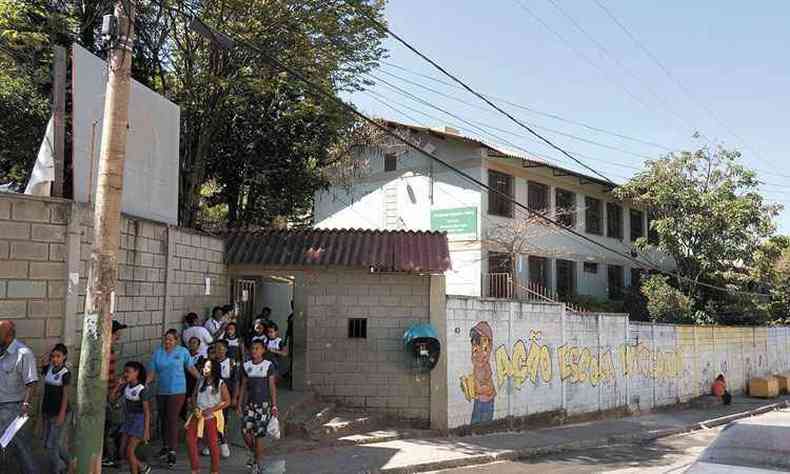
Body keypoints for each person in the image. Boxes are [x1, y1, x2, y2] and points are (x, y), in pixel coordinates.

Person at [147, 329, 200, 469]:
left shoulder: (182, 352)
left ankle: (172, 451)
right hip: (161, 391)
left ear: (176, 340)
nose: (167, 342)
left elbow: (190, 367)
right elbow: (152, 372)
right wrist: (145, 384)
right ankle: (165, 446)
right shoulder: (158, 353)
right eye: (166, 339)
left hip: (177, 391)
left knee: (172, 419)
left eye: (171, 339)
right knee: (163, 419)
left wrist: (201, 378)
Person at [0, 320, 39, 474]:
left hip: (14, 410)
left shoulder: (23, 353)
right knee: (6, 450)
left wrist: (25, 405)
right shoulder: (2, 351)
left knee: (22, 448)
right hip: (1, 409)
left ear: (8, 335)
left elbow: (32, 382)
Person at [238, 339, 279, 474]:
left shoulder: (268, 365)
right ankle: (255, 453)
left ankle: (257, 463)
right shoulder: (246, 366)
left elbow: (272, 386)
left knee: (258, 435)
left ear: (263, 350)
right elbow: (243, 386)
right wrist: (239, 404)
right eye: (252, 348)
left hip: (264, 405)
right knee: (244, 431)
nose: (254, 351)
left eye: (257, 348)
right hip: (250, 405)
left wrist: (274, 406)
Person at [186, 359, 231, 474]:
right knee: (190, 440)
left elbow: (227, 401)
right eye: (204, 367)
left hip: (212, 417)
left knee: (212, 444)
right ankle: (195, 469)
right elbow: (194, 395)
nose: (204, 369)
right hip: (198, 415)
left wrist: (212, 409)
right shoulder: (200, 381)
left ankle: (215, 470)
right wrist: (195, 406)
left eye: (208, 367)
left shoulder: (220, 383)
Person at [111, 361, 153, 474]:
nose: (125, 374)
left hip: (139, 421)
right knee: (123, 451)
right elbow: (112, 398)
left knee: (129, 451)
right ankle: (140, 468)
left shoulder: (142, 390)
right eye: (125, 371)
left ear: (136, 373)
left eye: (128, 372)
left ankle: (142, 467)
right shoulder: (125, 386)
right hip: (128, 420)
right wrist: (118, 385)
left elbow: (146, 412)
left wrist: (146, 430)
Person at [40, 343, 71, 474]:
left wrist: (61, 414)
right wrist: (49, 350)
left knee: (52, 445)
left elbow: (65, 396)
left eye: (58, 356)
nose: (55, 359)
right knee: (53, 445)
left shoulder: (65, 374)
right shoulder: (48, 369)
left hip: (59, 413)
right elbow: (42, 359)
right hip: (47, 412)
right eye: (53, 356)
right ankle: (71, 463)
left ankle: (60, 468)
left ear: (64, 357)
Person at [103, 320, 128, 468]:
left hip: (112, 393)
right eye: (116, 334)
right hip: (107, 394)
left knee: (113, 427)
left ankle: (115, 456)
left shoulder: (110, 350)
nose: (118, 337)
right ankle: (112, 456)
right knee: (110, 428)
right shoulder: (105, 351)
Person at [213, 339, 239, 458]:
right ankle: (211, 444)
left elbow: (235, 381)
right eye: (216, 348)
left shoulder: (231, 362)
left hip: (225, 395)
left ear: (226, 349)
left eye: (220, 348)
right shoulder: (210, 363)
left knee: (222, 420)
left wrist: (234, 397)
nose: (218, 351)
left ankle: (223, 443)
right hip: (212, 395)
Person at [183, 337, 207, 421]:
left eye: (195, 343)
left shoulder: (202, 358)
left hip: (195, 384)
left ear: (198, 345)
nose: (192, 345)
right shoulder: (184, 356)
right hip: (183, 384)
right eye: (191, 343)